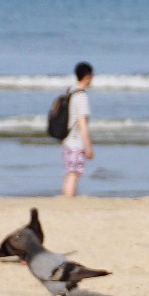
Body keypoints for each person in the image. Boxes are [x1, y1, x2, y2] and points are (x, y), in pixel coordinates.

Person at [60, 61, 94, 198]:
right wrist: (88, 147)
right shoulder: (82, 96)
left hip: (66, 139)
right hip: (75, 141)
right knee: (74, 173)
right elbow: (82, 124)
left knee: (70, 173)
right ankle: (68, 200)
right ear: (87, 76)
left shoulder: (71, 91)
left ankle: (66, 198)